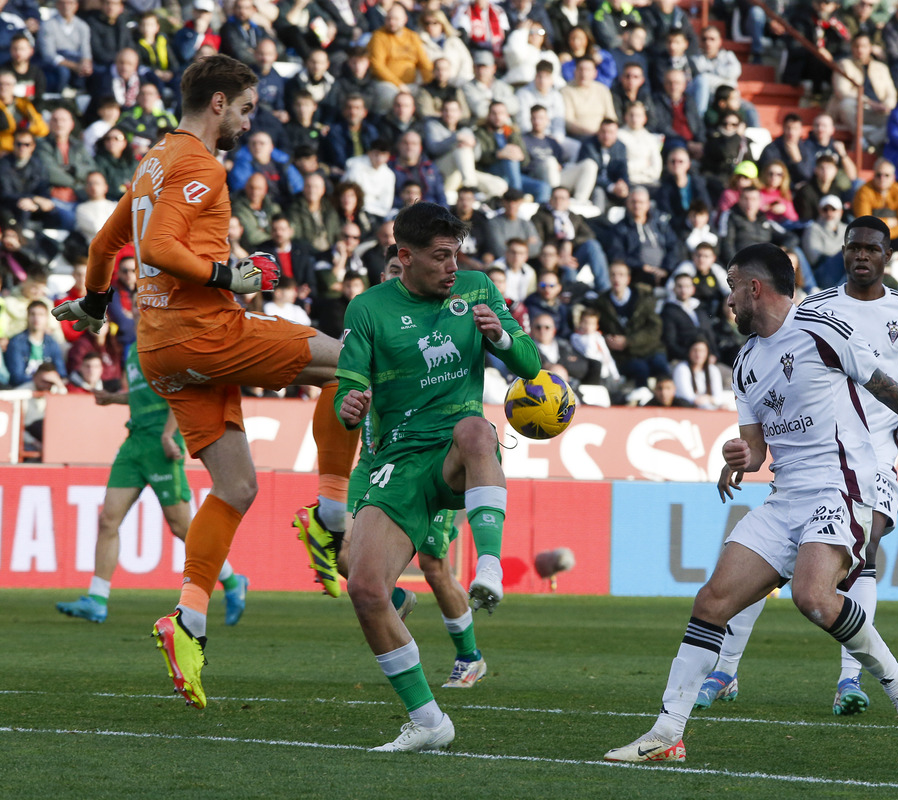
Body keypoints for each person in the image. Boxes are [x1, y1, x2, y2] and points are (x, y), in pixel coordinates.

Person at [56, 55, 361, 710]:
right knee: (357, 363)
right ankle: (332, 516)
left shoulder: (152, 162)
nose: (251, 122)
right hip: (206, 331)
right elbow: (162, 247)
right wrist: (233, 276)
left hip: (161, 349)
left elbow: (107, 243)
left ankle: (187, 619)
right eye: (247, 109)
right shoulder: (198, 163)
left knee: (235, 486)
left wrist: (92, 304)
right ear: (218, 103)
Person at [604, 238, 898, 763]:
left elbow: (886, 386)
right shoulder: (745, 362)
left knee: (812, 597)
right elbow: (757, 447)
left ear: (754, 288)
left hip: (844, 483)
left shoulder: (822, 331)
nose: (727, 302)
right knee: (711, 602)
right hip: (786, 495)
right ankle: (667, 733)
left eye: (730, 290)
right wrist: (737, 455)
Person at [695, 218, 898, 716]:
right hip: (813, 460)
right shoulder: (817, 309)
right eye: (853, 248)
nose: (861, 256)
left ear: (887, 255)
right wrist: (750, 450)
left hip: (875, 457)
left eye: (872, 248)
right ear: (844, 252)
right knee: (770, 562)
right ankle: (725, 667)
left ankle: (853, 678)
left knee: (858, 559)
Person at [334, 202, 540, 751]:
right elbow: (345, 388)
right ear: (404, 257)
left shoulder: (476, 289)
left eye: (457, 254)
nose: (453, 266)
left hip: (453, 453)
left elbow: (531, 364)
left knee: (477, 429)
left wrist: (499, 337)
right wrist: (348, 406)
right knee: (364, 586)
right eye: (441, 256)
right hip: (396, 464)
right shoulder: (368, 309)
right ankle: (428, 721)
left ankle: (490, 566)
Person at [57, 343, 247, 625]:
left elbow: (181, 393)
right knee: (108, 520)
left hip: (162, 444)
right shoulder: (132, 349)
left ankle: (232, 581)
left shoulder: (164, 342)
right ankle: (96, 599)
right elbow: (144, 396)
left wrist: (170, 435)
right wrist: (113, 398)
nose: (138, 306)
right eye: (135, 301)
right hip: (134, 443)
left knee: (183, 528)